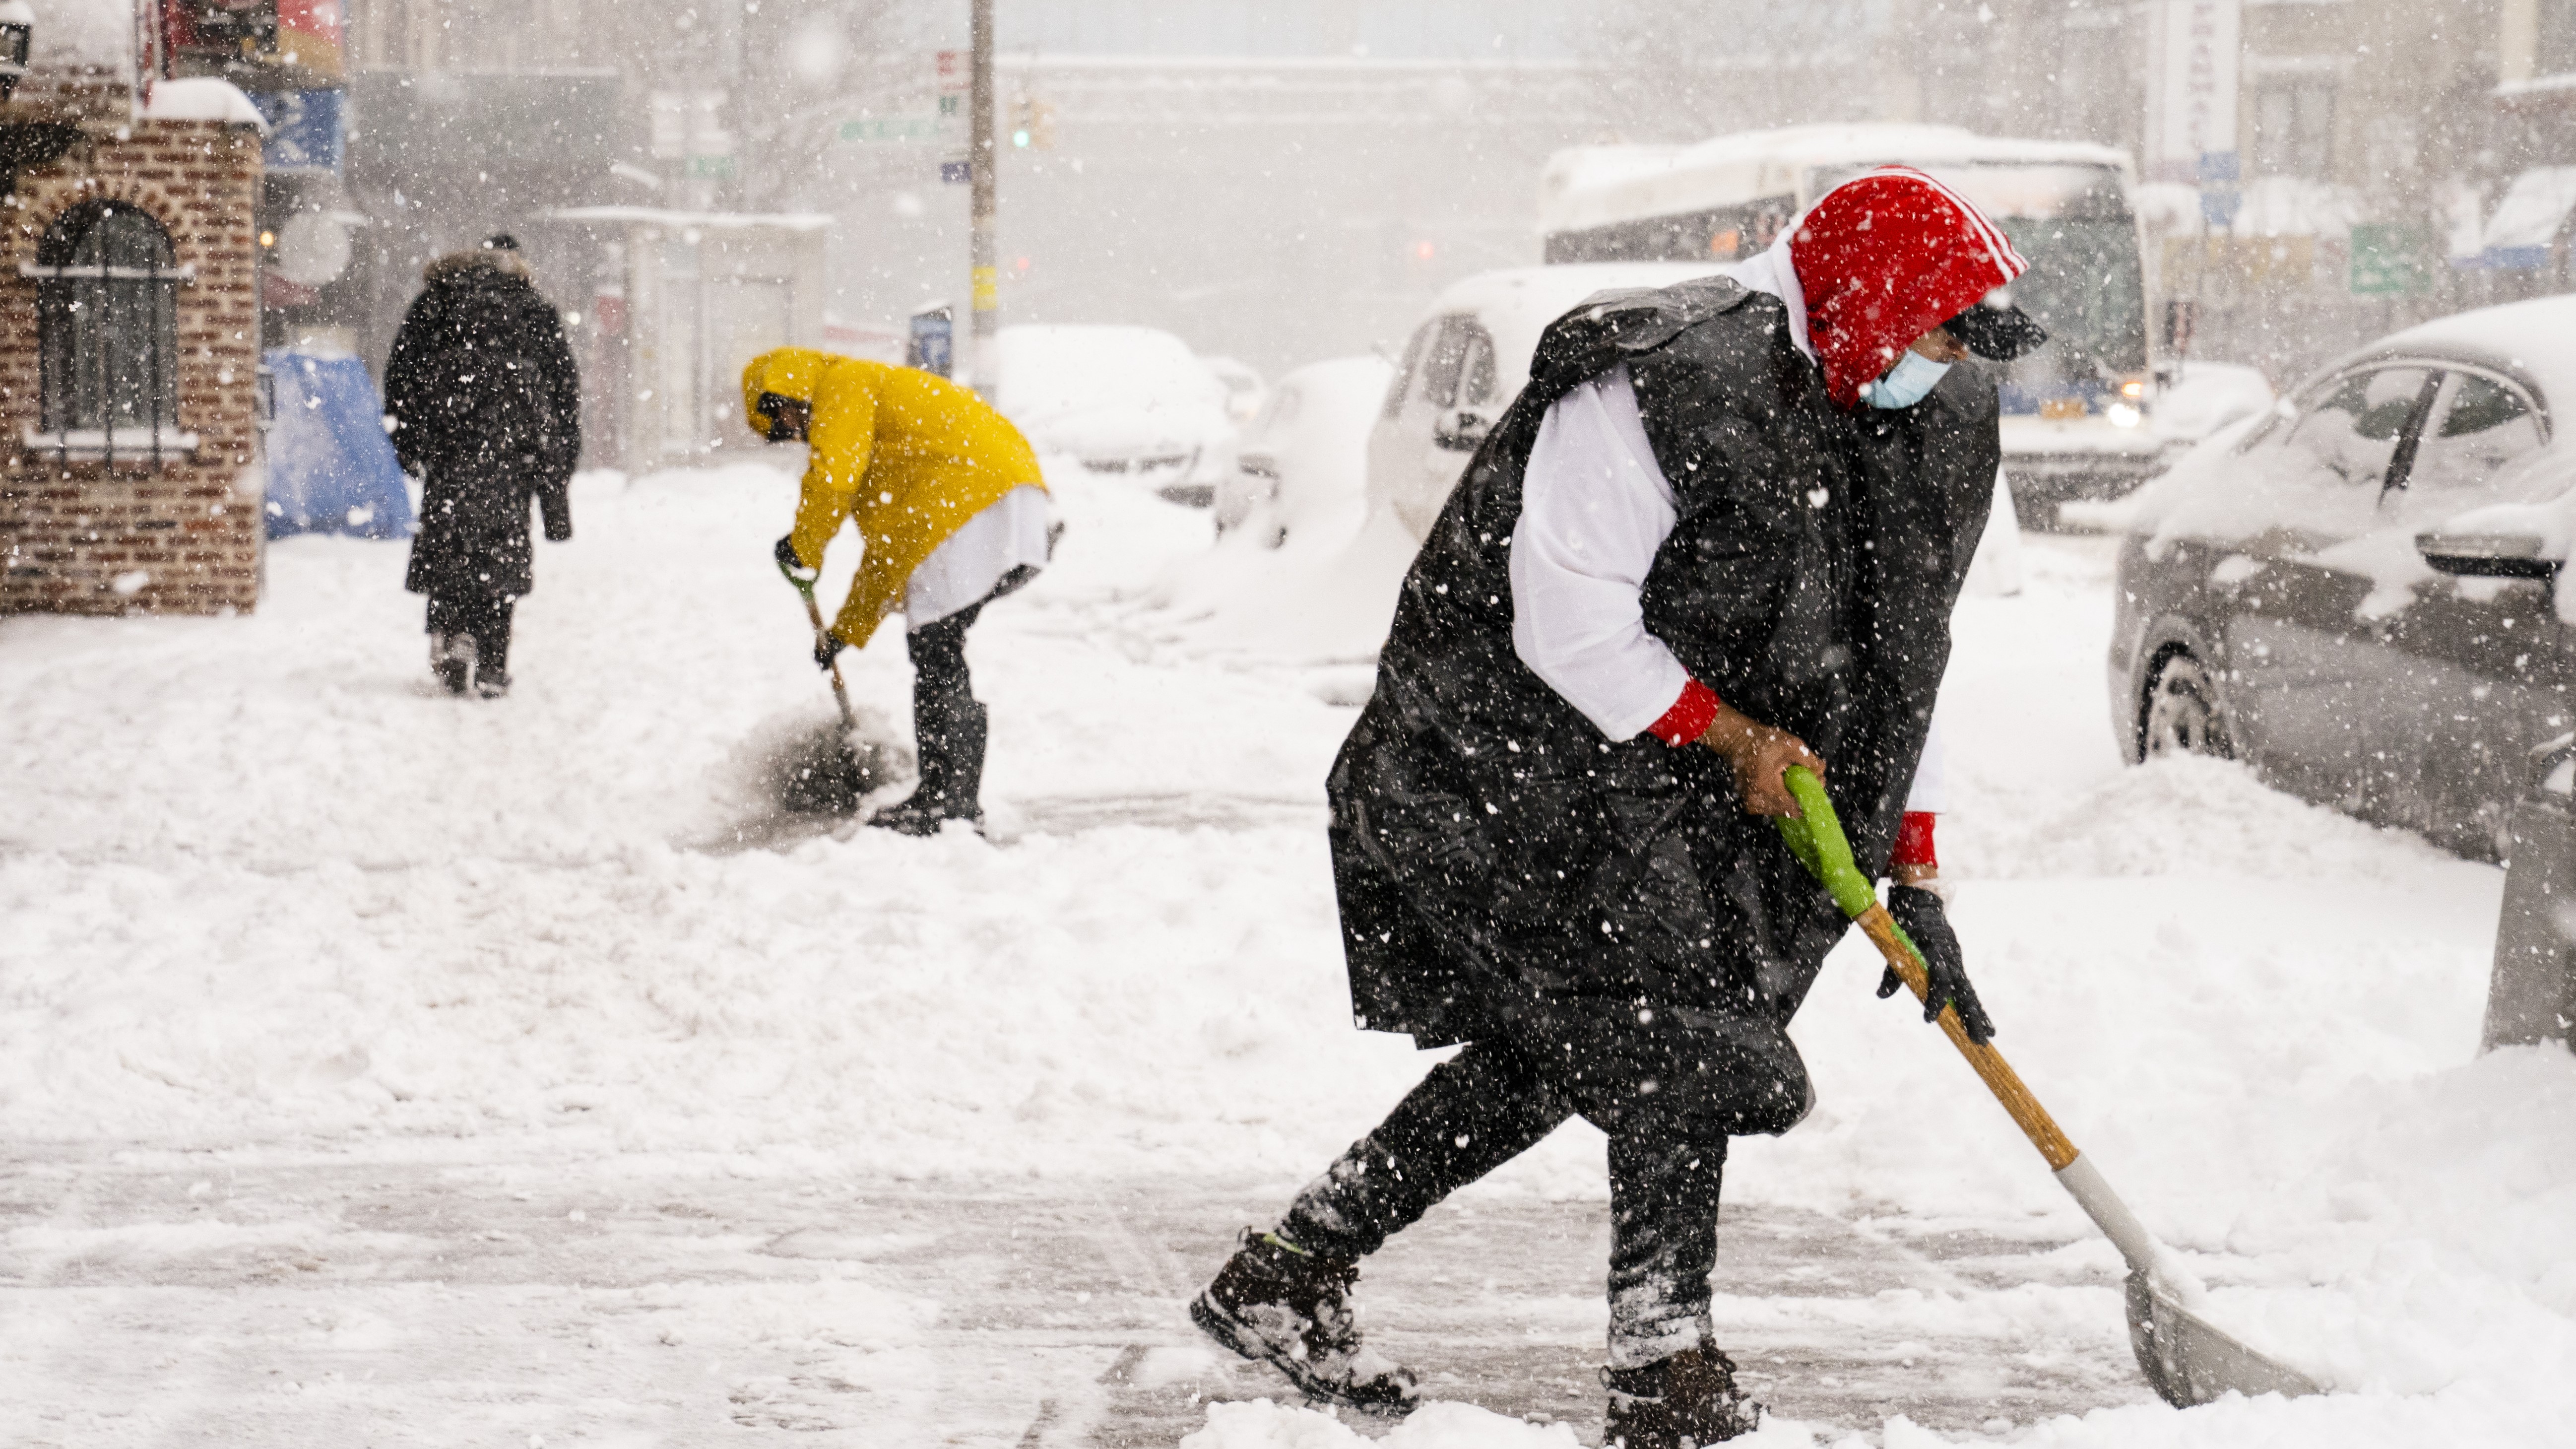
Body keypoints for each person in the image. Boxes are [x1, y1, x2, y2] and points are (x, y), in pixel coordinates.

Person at [1188, 169, 2048, 1448]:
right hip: (1510, 753)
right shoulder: (1659, 378)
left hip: (1675, 777)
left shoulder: (1926, 415)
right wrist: (1733, 732)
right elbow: (1567, 622)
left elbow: (1904, 654)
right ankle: (1662, 1364)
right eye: (1926, 336)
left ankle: (1290, 1268)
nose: (1939, 367)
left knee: (1581, 1043)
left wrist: (1913, 871)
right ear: (1865, 304)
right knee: (1677, 1034)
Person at [742, 348, 1051, 835]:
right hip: (1005, 495)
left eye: (780, 418)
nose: (793, 432)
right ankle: (951, 797)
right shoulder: (892, 445)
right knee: (939, 645)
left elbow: (831, 478)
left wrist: (804, 547)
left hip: (970, 497)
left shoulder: (842, 387)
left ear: (783, 389)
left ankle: (947, 800)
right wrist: (846, 631)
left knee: (936, 647)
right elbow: (890, 549)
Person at [384, 234, 581, 699]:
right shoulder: (532, 307)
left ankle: (451, 639)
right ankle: (493, 663)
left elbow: (402, 374)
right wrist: (559, 458)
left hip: (450, 449)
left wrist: (409, 442)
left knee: (449, 543)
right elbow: (563, 388)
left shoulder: (436, 302)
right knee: (502, 552)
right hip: (515, 453)